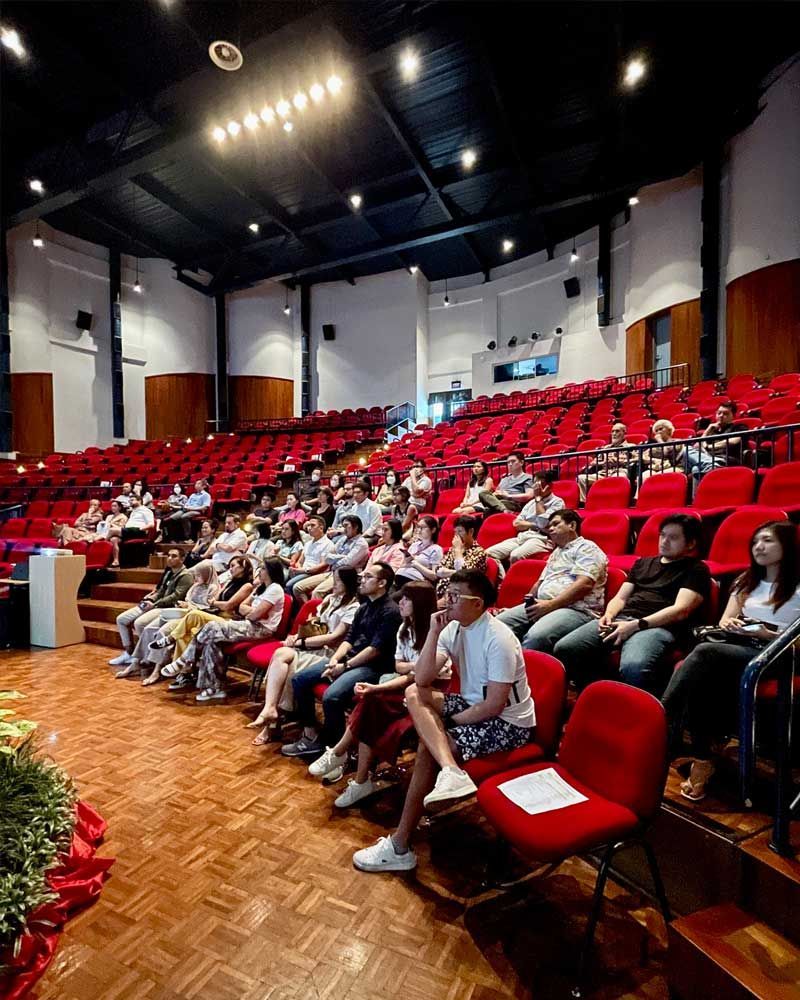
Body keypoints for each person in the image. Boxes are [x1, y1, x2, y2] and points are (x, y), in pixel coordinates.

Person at [351, 570, 535, 874]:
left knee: (428, 746)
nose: (445, 601)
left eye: (454, 596)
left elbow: (494, 705)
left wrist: (449, 722)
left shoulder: (499, 639)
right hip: (474, 705)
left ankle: (400, 844)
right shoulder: (453, 628)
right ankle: (451, 771)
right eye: (447, 594)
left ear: (477, 603)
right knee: (414, 692)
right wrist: (434, 634)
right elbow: (422, 678)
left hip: (509, 723)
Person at [663, 520, 800, 801]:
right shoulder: (745, 581)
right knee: (704, 678)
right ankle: (703, 757)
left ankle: (662, 719)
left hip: (779, 652)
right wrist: (732, 625)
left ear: (787, 546)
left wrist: (768, 635)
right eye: (755, 541)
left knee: (704, 655)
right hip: (739, 646)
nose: (759, 547)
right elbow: (725, 620)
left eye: (768, 541)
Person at [554, 514, 711, 695]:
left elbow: (680, 610)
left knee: (634, 666)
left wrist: (636, 625)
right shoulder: (643, 563)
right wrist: (609, 615)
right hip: (622, 619)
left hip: (657, 626)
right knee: (566, 648)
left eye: (673, 537)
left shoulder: (696, 569)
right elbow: (620, 598)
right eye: (662, 535)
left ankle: (641, 706)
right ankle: (598, 693)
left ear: (691, 544)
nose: (664, 541)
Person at [309, 581, 440, 794]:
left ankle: (342, 756)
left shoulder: (434, 634)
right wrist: (414, 666)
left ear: (420, 603)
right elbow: (400, 666)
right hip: (405, 682)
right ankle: (356, 775)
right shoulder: (404, 628)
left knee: (369, 700)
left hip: (427, 690)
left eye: (407, 599)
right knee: (369, 702)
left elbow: (417, 676)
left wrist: (379, 686)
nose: (401, 602)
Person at [282, 562, 402, 758]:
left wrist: (344, 666)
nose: (362, 580)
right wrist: (335, 659)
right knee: (300, 679)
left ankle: (334, 749)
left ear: (382, 583)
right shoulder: (364, 608)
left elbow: (374, 650)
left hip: (373, 667)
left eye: (368, 577)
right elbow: (349, 639)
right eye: (363, 576)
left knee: (332, 696)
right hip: (349, 659)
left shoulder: (391, 612)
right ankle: (310, 734)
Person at [248, 567, 361, 744]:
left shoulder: (354, 607)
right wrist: (296, 636)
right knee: (281, 655)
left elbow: (334, 637)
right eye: (333, 579)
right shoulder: (330, 599)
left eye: (338, 580)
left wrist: (301, 642)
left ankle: (272, 722)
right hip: (313, 646)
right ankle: (271, 710)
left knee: (287, 664)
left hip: (331, 653)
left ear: (348, 583)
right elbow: (314, 625)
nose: (333, 584)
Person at [172, 559, 287, 702]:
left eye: (263, 568)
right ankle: (214, 688)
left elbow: (254, 615)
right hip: (250, 624)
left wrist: (251, 612)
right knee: (212, 641)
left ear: (271, 571)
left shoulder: (275, 589)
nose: (259, 571)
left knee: (212, 627)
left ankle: (186, 659)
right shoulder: (261, 588)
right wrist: (251, 612)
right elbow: (242, 608)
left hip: (262, 630)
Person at [499, 509, 608, 652]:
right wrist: (526, 604)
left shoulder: (587, 548)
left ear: (572, 525)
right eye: (549, 526)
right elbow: (540, 582)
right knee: (499, 625)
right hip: (544, 604)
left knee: (536, 636)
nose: (550, 528)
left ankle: (526, 665)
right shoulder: (557, 552)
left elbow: (585, 584)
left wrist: (551, 605)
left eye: (556, 524)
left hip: (576, 609)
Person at [155, 556, 255, 690]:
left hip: (230, 622)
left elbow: (228, 606)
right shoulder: (229, 582)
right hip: (217, 616)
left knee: (194, 614)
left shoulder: (247, 586)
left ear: (243, 567)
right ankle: (186, 673)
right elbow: (213, 602)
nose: (230, 569)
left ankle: (171, 638)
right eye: (229, 566)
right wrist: (216, 603)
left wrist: (216, 603)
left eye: (233, 566)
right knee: (188, 633)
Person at [134, 561, 222, 686]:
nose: (196, 577)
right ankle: (138, 661)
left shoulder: (214, 588)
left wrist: (190, 606)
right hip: (183, 614)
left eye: (198, 575)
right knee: (149, 628)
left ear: (206, 574)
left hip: (196, 618)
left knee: (163, 632)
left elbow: (209, 607)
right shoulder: (195, 586)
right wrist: (184, 604)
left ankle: (157, 670)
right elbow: (188, 600)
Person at [108, 548, 194, 671]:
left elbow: (175, 597)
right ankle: (129, 652)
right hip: (156, 604)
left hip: (167, 608)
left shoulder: (186, 576)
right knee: (121, 619)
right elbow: (161, 591)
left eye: (174, 556)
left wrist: (154, 604)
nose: (170, 558)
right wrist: (150, 599)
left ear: (182, 558)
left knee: (139, 623)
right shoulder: (169, 572)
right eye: (169, 555)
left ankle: (146, 656)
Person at [485, 470, 565, 570]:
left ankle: (512, 579)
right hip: (523, 536)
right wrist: (534, 525)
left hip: (542, 539)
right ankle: (502, 578)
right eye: (535, 484)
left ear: (550, 486)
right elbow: (517, 524)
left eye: (541, 484)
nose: (537, 488)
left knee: (515, 555)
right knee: (488, 553)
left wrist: (538, 499)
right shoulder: (530, 503)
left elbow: (542, 523)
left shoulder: (557, 502)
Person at [296, 515, 370, 601]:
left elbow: (348, 563)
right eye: (343, 526)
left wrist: (334, 560)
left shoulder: (361, 543)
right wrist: (341, 557)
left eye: (346, 526)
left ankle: (318, 610)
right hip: (332, 572)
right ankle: (308, 608)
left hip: (346, 576)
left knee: (317, 592)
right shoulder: (343, 539)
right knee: (297, 588)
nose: (344, 529)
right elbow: (328, 556)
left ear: (356, 526)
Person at [685, 401, 750, 477]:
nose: (721, 416)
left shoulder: (739, 427)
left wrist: (709, 447)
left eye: (725, 414)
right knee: (687, 450)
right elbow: (698, 445)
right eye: (719, 413)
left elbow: (733, 441)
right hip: (709, 457)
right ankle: (711, 464)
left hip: (728, 458)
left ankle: (712, 464)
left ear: (733, 416)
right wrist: (707, 430)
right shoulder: (712, 430)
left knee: (696, 468)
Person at [432, 515, 488, 601]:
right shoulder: (453, 549)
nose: (457, 536)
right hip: (442, 591)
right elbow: (438, 570)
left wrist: (458, 552)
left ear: (471, 532)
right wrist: (455, 572)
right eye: (455, 532)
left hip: (462, 595)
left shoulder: (479, 552)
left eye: (460, 531)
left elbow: (464, 576)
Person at [577, 423, 632, 501]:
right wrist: (604, 462)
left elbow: (637, 460)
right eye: (612, 431)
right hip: (603, 473)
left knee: (619, 477)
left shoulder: (630, 446)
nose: (614, 434)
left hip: (619, 471)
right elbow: (594, 462)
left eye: (617, 431)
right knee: (581, 478)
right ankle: (584, 503)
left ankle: (615, 502)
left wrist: (619, 461)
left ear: (624, 433)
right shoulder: (606, 448)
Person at [285, 515, 335, 598]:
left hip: (314, 573)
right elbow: (300, 561)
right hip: (303, 571)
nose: (309, 528)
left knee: (289, 585)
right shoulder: (308, 543)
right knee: (281, 577)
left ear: (321, 528)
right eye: (308, 525)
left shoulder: (328, 544)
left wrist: (302, 570)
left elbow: (322, 566)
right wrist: (298, 569)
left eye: (312, 525)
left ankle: (302, 605)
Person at [393, 515, 444, 588]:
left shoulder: (436, 549)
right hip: (400, 577)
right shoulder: (414, 545)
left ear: (433, 530)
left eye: (422, 527)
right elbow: (402, 565)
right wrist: (407, 561)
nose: (419, 530)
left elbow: (434, 576)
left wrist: (415, 564)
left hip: (416, 584)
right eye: (418, 527)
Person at [111, 494, 155, 567]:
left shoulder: (146, 510)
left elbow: (151, 524)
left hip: (138, 531)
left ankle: (102, 543)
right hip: (129, 531)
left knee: (112, 530)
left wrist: (140, 529)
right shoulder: (133, 511)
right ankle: (116, 561)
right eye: (129, 500)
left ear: (139, 501)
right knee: (114, 539)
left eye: (132, 500)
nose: (130, 502)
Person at [638, 419, 685, 486]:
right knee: (644, 475)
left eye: (660, 429)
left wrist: (660, 440)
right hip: (657, 468)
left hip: (674, 467)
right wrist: (653, 460)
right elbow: (645, 457)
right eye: (656, 431)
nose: (658, 432)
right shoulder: (655, 446)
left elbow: (667, 453)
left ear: (669, 429)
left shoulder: (677, 442)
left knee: (656, 477)